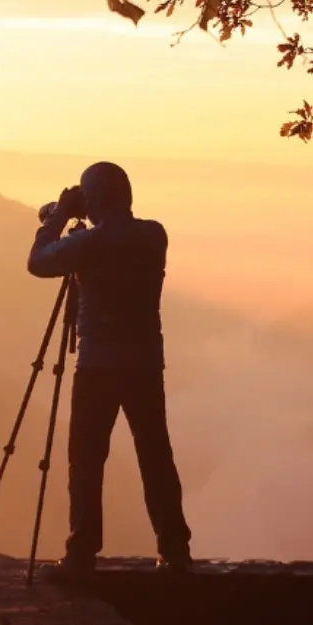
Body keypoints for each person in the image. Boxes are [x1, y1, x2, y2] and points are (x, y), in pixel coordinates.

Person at [27, 161, 193, 575]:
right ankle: (174, 549)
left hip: (97, 365)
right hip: (145, 363)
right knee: (155, 455)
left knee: (85, 459)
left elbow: (38, 262)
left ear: (94, 199)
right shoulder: (154, 236)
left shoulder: (88, 245)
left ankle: (82, 551)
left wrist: (59, 217)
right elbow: (112, 239)